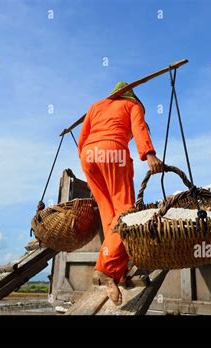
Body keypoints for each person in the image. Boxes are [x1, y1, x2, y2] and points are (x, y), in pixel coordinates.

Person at [78, 82, 163, 305]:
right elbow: (139, 128)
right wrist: (149, 154)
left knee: (109, 215)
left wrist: (89, 170)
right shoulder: (131, 105)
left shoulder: (96, 106)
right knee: (126, 212)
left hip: (88, 155)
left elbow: (82, 138)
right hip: (113, 151)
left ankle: (118, 268)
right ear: (131, 96)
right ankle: (106, 269)